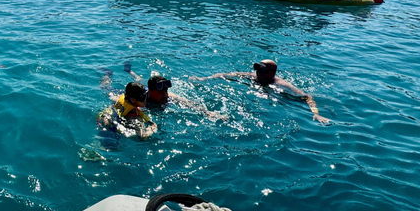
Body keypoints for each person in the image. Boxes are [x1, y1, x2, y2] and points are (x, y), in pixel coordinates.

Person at [190, 59, 330, 124]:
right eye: (257, 69)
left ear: (271, 73)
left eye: (261, 70)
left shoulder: (282, 84)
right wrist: (204, 78)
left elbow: (308, 97)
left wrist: (316, 114)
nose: (257, 73)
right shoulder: (252, 76)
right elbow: (227, 74)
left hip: (280, 97)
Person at [124, 64, 226, 120]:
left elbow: (189, 103)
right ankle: (125, 73)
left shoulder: (169, 96)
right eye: (160, 92)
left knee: (140, 79)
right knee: (139, 80)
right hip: (141, 91)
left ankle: (129, 71)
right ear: (151, 91)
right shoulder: (141, 98)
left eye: (166, 91)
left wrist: (208, 113)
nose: (165, 94)